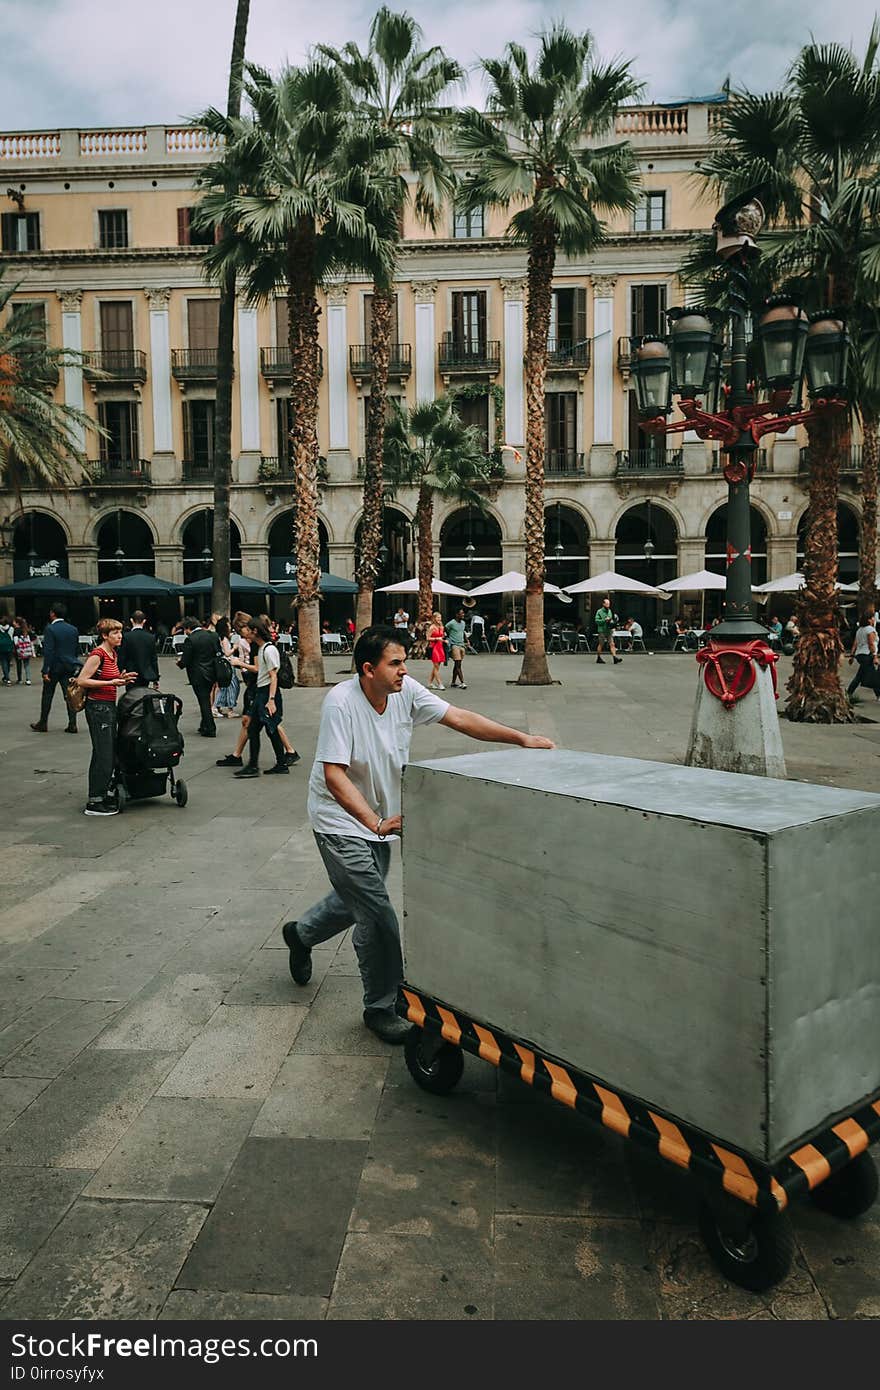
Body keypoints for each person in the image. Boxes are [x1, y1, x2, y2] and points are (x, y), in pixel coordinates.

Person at [281, 625, 555, 1043]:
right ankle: (381, 1005)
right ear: (367, 669)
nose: (405, 671)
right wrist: (372, 821)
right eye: (396, 663)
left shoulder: (403, 693)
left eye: (405, 662)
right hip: (341, 821)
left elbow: (459, 718)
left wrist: (521, 738)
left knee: (355, 899)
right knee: (376, 914)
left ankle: (301, 935)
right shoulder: (341, 703)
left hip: (383, 820)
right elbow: (333, 774)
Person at [76, 617, 137, 815]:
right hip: (98, 708)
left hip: (108, 707)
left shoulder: (113, 654)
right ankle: (95, 802)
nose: (120, 636)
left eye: (120, 632)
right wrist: (111, 682)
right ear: (104, 635)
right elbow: (82, 680)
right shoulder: (98, 654)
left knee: (106, 752)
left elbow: (112, 678)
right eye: (115, 633)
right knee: (104, 754)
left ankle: (100, 794)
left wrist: (121, 679)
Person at [232, 616, 291, 776]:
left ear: (255, 631)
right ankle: (264, 765)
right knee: (256, 729)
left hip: (266, 694)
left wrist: (271, 700)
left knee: (269, 729)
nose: (246, 633)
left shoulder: (268, 650)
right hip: (262, 693)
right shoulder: (262, 648)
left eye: (249, 630)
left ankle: (270, 765)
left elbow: (274, 676)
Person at [31, 603, 80, 733]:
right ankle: (72, 723)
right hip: (69, 666)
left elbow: (49, 651)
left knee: (47, 694)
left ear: (53, 613)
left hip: (54, 667)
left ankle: (43, 722)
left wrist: (45, 669)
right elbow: (75, 649)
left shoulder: (50, 629)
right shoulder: (73, 629)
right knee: (69, 695)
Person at [177, 615, 221, 737]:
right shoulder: (213, 636)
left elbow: (185, 660)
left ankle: (210, 727)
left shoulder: (191, 639)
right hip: (212, 672)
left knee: (203, 701)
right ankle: (204, 725)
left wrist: (179, 663)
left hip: (198, 674)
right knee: (206, 698)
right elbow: (218, 653)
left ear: (187, 628)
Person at [119, 610, 159, 688]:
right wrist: (155, 678)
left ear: (131, 620)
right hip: (146, 673)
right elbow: (153, 658)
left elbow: (122, 656)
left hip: (130, 673)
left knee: (131, 695)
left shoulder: (126, 636)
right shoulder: (150, 637)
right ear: (144, 621)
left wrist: (119, 672)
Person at [847, 611, 879, 699]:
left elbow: (855, 644)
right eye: (872, 617)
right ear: (869, 620)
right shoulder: (870, 630)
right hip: (867, 654)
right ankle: (878, 694)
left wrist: (852, 655)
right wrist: (875, 656)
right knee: (872, 676)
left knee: (864, 674)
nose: (874, 619)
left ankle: (850, 692)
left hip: (860, 655)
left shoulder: (859, 630)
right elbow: (871, 644)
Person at [213, 616, 240, 717]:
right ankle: (228, 709)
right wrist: (234, 647)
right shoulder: (224, 639)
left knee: (225, 686)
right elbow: (227, 653)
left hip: (225, 663)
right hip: (228, 663)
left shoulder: (221, 637)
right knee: (232, 685)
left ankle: (218, 706)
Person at [445, 607, 469, 689]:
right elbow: (445, 629)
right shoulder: (451, 623)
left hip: (461, 645)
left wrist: (467, 640)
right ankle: (462, 682)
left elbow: (463, 632)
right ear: (457, 615)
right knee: (458, 663)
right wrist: (448, 638)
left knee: (457, 664)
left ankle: (453, 682)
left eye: (463, 613)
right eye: (461, 613)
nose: (463, 615)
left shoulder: (463, 623)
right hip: (454, 645)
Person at [594, 597, 622, 665]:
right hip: (602, 630)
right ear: (603, 604)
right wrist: (604, 620)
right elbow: (596, 621)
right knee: (601, 644)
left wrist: (612, 622)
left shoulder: (609, 611)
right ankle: (598, 657)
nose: (608, 605)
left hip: (609, 629)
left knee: (612, 644)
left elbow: (611, 619)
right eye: (606, 604)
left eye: (608, 604)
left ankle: (615, 657)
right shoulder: (599, 611)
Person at [427, 611, 446, 690]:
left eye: (440, 617)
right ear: (434, 618)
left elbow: (442, 637)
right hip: (434, 647)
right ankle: (440, 684)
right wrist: (436, 638)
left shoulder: (441, 626)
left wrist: (444, 640)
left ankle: (430, 683)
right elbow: (427, 638)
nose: (439, 619)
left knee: (436, 667)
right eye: (438, 617)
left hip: (440, 647)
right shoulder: (432, 627)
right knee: (436, 666)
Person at [13, 617, 34, 685]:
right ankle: (28, 679)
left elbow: (15, 642)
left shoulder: (16, 631)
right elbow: (33, 637)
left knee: (19, 664)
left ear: (17, 623)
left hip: (19, 651)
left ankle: (20, 679)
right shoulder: (26, 630)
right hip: (26, 650)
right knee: (27, 664)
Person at [0, 614, 14, 685]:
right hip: (9, 646)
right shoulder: (11, 628)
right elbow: (11, 638)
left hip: (1, 647)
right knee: (8, 662)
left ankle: (7, 678)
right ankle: (6, 676)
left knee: (3, 662)